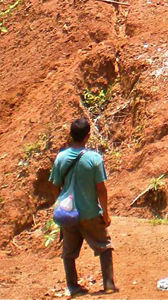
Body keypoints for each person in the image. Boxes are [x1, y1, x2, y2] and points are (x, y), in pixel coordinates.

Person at [49, 118, 118, 296]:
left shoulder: (60, 158)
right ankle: (109, 284)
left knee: (69, 252)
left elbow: (55, 186)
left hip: (67, 213)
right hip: (90, 213)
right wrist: (106, 214)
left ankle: (73, 287)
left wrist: (61, 206)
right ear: (88, 136)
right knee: (104, 246)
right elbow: (101, 190)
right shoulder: (94, 159)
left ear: (71, 135)